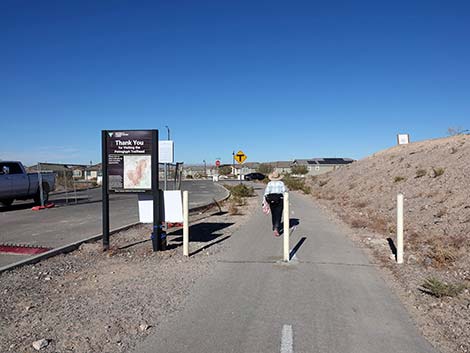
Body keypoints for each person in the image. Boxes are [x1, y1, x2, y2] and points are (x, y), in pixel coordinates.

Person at [264, 171, 287, 237]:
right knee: (279, 214)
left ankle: (274, 226)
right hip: (280, 199)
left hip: (271, 200)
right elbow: (284, 192)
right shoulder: (281, 183)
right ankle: (276, 227)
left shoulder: (269, 184)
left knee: (273, 214)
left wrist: (265, 201)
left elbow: (266, 193)